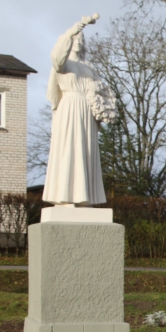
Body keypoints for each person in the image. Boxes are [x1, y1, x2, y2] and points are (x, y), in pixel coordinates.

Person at [42, 14, 116, 206]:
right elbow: (57, 56)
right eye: (76, 38)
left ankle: (86, 198)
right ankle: (66, 197)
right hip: (70, 109)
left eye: (81, 39)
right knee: (69, 150)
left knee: (86, 152)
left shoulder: (89, 67)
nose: (78, 41)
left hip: (87, 114)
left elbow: (102, 91)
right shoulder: (64, 64)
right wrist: (77, 28)